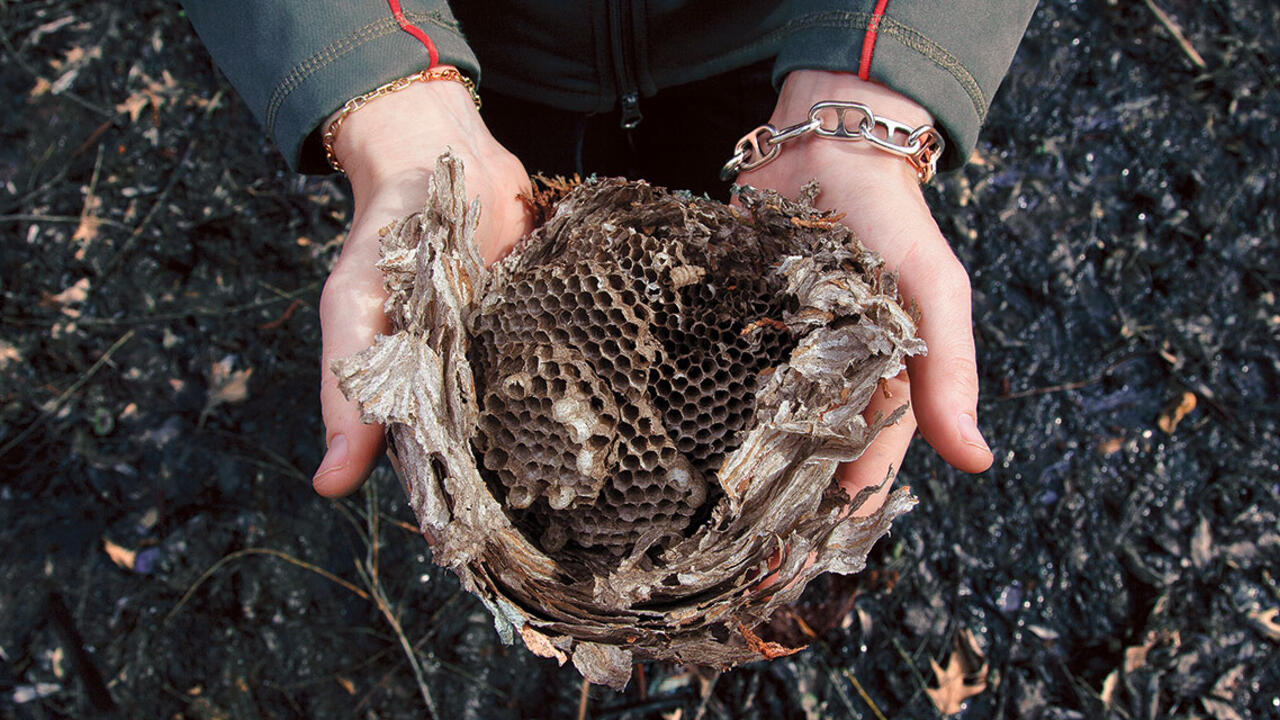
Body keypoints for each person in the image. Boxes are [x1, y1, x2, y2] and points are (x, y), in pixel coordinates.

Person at [181, 1, 1036, 516]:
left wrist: (877, 67)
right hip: (474, 54)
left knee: (762, 263)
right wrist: (377, 81)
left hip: (768, 43)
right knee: (492, 261)